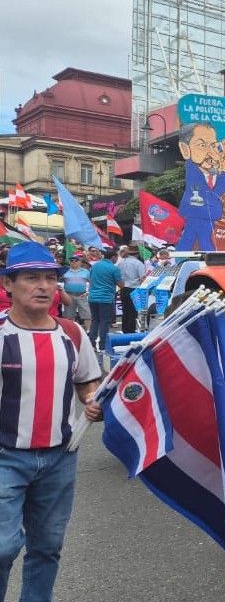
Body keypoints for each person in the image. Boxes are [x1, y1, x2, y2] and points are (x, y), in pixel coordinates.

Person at [0, 241, 102, 602]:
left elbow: (87, 380)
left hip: (60, 457)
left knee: (47, 546)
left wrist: (92, 400)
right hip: (6, 457)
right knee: (2, 547)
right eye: (32, 278)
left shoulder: (72, 334)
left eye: (50, 278)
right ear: (8, 284)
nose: (44, 286)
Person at [176, 122, 225, 251]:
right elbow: (210, 197)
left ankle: (179, 258)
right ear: (185, 149)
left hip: (202, 214)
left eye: (213, 146)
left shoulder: (207, 168)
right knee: (204, 239)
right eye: (202, 145)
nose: (211, 153)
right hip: (200, 211)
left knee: (190, 237)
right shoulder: (193, 171)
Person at [88, 249, 123, 352]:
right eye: (116, 257)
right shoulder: (113, 268)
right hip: (106, 299)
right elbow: (120, 284)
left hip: (92, 297)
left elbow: (91, 279)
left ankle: (91, 344)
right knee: (104, 322)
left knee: (95, 321)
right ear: (113, 257)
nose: (117, 259)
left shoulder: (94, 266)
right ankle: (103, 345)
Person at [118, 243, 146, 334]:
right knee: (132, 312)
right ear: (137, 254)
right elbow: (142, 278)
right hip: (134, 288)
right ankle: (130, 331)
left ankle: (125, 329)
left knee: (125, 311)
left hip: (123, 288)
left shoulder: (121, 263)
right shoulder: (138, 263)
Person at [62, 255, 92, 332]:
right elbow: (59, 282)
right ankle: (71, 330)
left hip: (82, 295)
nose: (74, 262)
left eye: (76, 260)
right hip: (69, 295)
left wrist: (88, 292)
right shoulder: (65, 271)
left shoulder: (86, 271)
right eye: (72, 260)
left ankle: (88, 330)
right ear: (69, 262)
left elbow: (92, 283)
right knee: (69, 314)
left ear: (80, 262)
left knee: (86, 314)